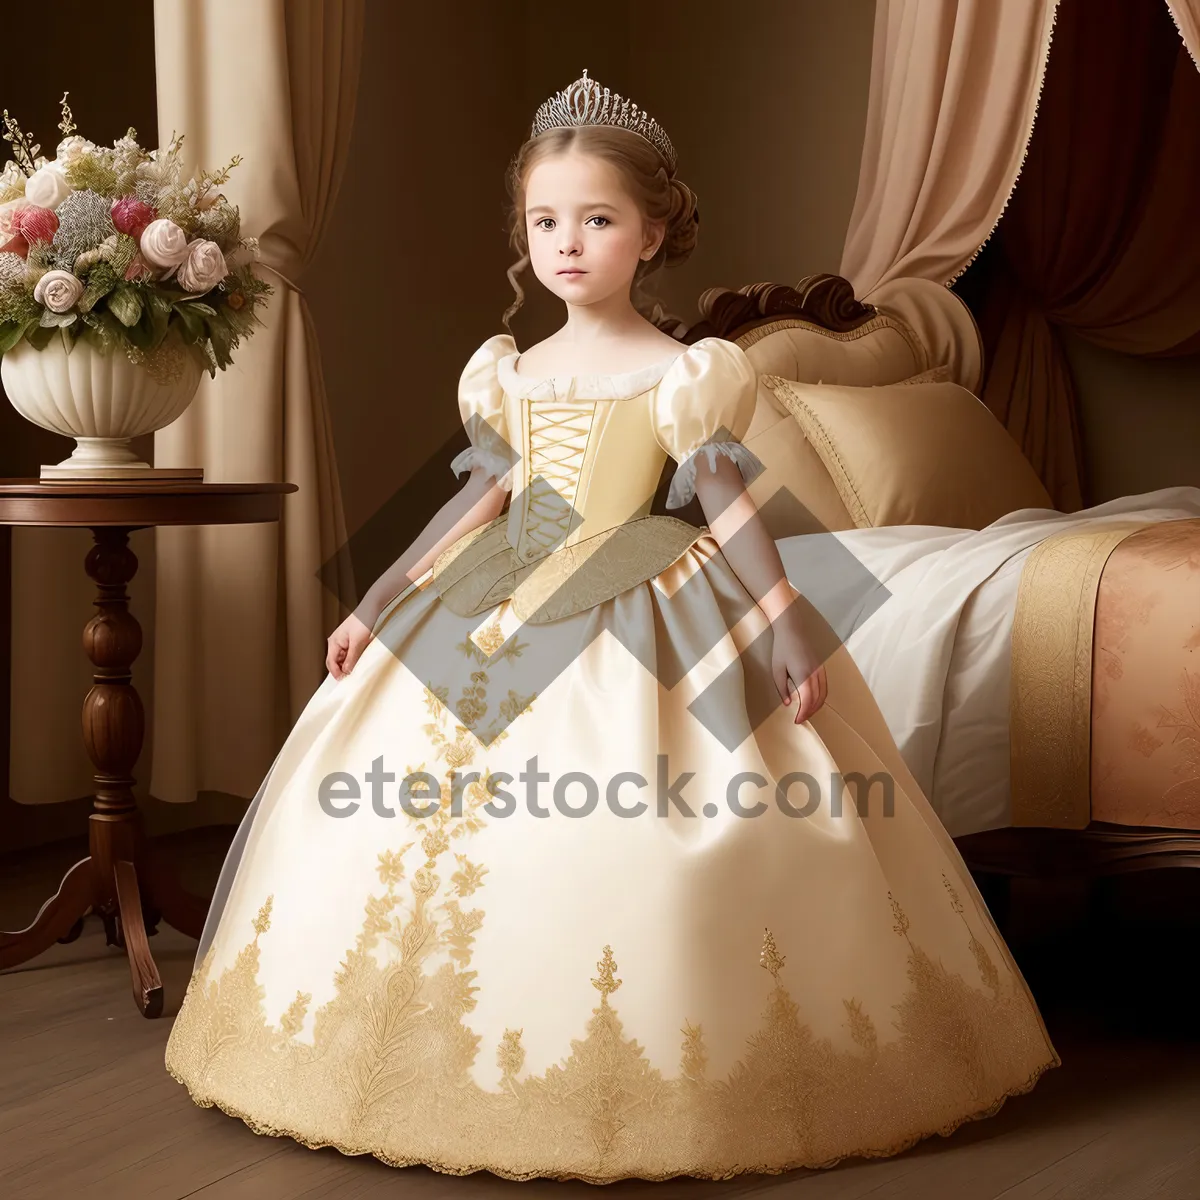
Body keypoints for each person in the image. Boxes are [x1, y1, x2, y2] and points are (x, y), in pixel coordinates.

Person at [165, 69, 1060, 1184]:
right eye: (547, 222)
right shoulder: (511, 371)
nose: (569, 244)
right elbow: (476, 500)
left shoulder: (684, 374)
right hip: (497, 590)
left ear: (652, 234)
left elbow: (726, 503)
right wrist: (380, 599)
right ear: (523, 235)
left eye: (597, 221)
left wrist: (784, 623)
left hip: (639, 592)